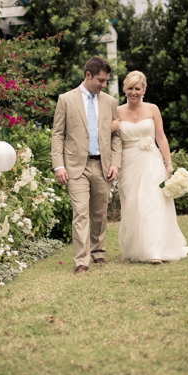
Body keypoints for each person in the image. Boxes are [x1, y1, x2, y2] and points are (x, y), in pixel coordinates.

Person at [111, 70, 188, 264]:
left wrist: (168, 162)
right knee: (133, 204)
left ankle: (154, 250)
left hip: (152, 161)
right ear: (124, 89)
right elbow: (109, 138)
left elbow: (161, 137)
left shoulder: (153, 109)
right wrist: (110, 128)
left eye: (137, 88)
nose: (133, 92)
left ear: (144, 89)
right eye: (130, 88)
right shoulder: (117, 111)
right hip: (129, 163)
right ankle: (135, 248)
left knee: (153, 202)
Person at [51, 56, 121, 274]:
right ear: (88, 75)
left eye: (106, 81)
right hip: (75, 167)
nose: (103, 85)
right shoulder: (66, 99)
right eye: (100, 80)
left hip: (103, 165)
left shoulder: (110, 101)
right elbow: (58, 135)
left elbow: (116, 136)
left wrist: (115, 164)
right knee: (80, 213)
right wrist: (58, 165)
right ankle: (81, 261)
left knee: (99, 213)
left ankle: (98, 251)